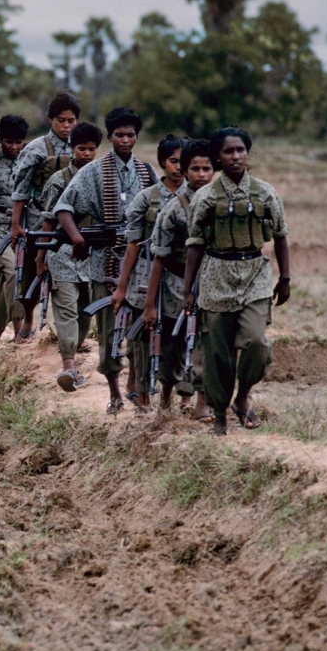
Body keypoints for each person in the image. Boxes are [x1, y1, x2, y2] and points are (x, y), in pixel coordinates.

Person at [184, 126, 290, 436]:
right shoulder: (204, 198)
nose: (236, 156)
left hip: (255, 272)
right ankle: (219, 413)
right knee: (217, 351)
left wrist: (285, 278)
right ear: (218, 157)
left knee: (257, 341)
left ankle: (243, 396)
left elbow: (281, 236)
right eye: (228, 151)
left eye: (240, 150)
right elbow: (195, 245)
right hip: (216, 274)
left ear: (247, 153)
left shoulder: (266, 192)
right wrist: (189, 289)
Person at [54, 107, 158, 415]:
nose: (125, 140)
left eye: (130, 135)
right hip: (105, 263)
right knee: (109, 328)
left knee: (140, 330)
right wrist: (77, 238)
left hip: (141, 263)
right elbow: (64, 208)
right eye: (119, 135)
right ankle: (114, 391)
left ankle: (136, 387)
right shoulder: (93, 172)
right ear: (110, 136)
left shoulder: (146, 171)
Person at [113, 134, 186, 413]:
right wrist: (122, 287)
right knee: (142, 339)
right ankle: (143, 397)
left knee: (177, 339)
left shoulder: (197, 199)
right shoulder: (147, 198)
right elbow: (132, 244)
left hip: (180, 277)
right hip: (145, 274)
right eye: (173, 161)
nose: (178, 167)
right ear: (162, 163)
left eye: (183, 162)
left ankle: (176, 396)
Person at [144, 138, 214, 421]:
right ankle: (165, 396)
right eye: (194, 169)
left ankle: (200, 403)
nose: (201, 175)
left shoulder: (221, 204)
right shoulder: (172, 210)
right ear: (185, 171)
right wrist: (150, 304)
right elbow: (158, 257)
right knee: (172, 346)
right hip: (174, 285)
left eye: (207, 169)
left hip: (211, 283)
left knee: (205, 342)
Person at [10, 91, 80, 342]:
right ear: (51, 120)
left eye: (71, 120)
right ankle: (28, 319)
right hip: (39, 218)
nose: (66, 125)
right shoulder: (37, 149)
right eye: (61, 120)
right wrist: (16, 224)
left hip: (71, 222)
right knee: (31, 269)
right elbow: (20, 187)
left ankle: (69, 332)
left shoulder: (80, 147)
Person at [37, 121, 102, 391]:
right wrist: (40, 257)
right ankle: (68, 365)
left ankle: (74, 352)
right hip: (62, 251)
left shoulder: (101, 179)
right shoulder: (58, 180)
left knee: (85, 310)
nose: (86, 154)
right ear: (72, 148)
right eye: (81, 148)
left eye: (91, 149)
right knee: (65, 309)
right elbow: (49, 221)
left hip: (92, 253)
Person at [0, 115, 29, 344]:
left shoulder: (30, 159)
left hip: (21, 229)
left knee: (6, 283)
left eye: (19, 142)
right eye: (9, 141)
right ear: (1, 140)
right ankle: (21, 331)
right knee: (12, 271)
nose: (14, 147)